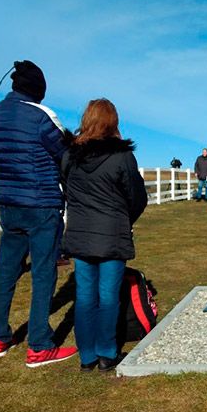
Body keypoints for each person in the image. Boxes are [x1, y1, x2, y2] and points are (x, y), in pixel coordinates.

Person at [0, 60, 77, 366]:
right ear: (38, 89)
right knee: (43, 272)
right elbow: (65, 153)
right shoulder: (39, 115)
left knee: (6, 271)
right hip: (41, 204)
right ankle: (39, 343)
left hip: (8, 204)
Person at [61, 98, 147, 372]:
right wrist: (123, 220)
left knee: (85, 296)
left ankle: (87, 356)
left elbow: (68, 191)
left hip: (82, 234)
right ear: (113, 122)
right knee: (108, 296)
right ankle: (107, 354)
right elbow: (137, 197)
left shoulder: (69, 157)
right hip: (112, 235)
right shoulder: (122, 157)